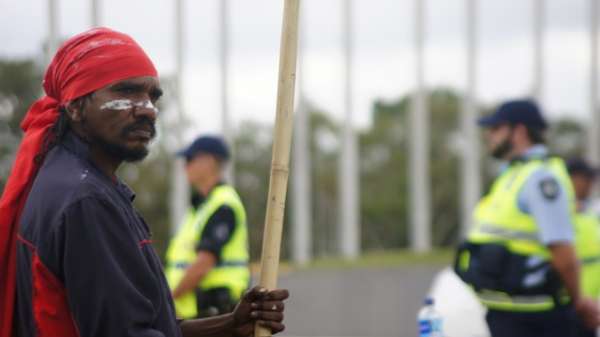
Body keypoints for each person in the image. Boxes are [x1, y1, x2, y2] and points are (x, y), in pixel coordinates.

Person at [0, 27, 288, 337]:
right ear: (74, 106)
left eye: (153, 96)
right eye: (125, 92)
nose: (147, 110)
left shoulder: (78, 183)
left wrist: (229, 324)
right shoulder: (86, 199)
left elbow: (146, 327)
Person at [454, 99, 600, 337]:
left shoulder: (541, 179)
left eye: (496, 128)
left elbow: (562, 250)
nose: (489, 135)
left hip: (537, 318)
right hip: (508, 313)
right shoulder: (513, 174)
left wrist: (579, 301)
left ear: (519, 131)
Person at [165, 135, 250, 318]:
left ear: (209, 161)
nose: (185, 166)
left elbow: (203, 263)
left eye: (190, 159)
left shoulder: (223, 204)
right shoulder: (201, 206)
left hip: (216, 312)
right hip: (199, 311)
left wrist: (168, 300)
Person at [567, 158, 600, 337]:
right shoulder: (561, 213)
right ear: (571, 179)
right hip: (570, 303)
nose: (591, 184)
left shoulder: (590, 212)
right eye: (586, 178)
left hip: (589, 305)